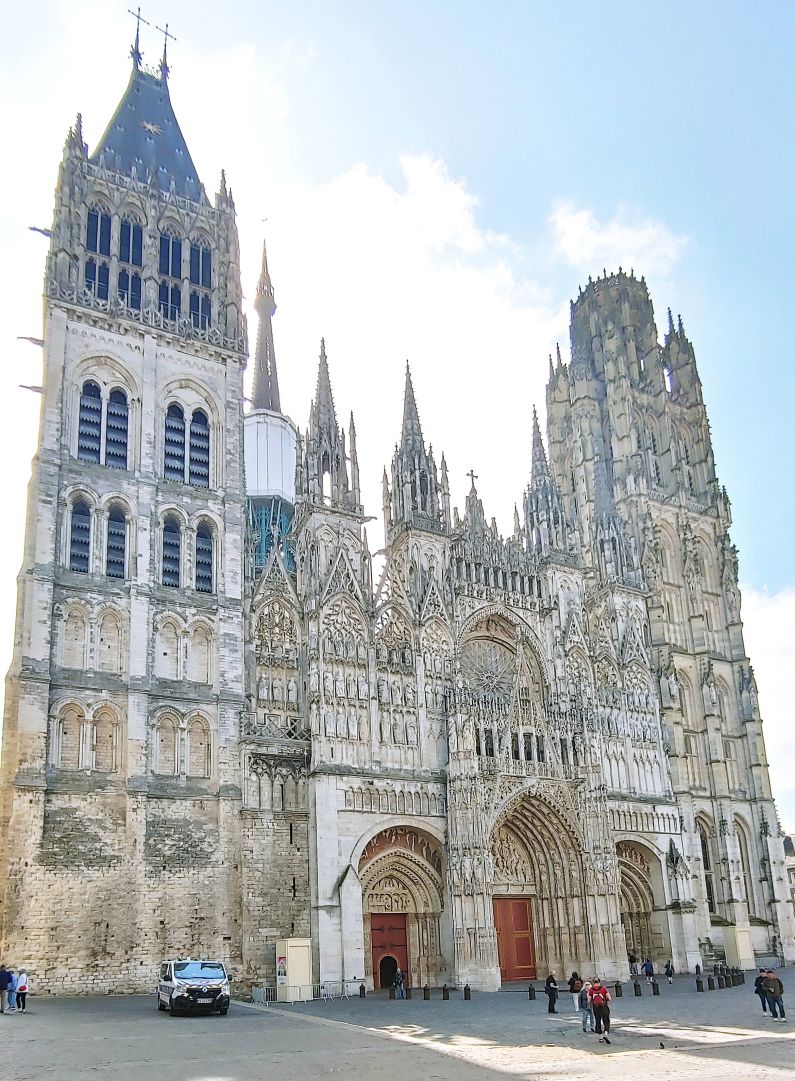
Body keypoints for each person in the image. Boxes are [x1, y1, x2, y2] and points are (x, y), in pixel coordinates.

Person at [588, 977, 612, 1044]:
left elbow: (589, 1000)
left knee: (598, 1021)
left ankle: (600, 1038)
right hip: (604, 1007)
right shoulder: (603, 988)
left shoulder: (591, 989)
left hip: (596, 1008)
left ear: (593, 982)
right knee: (606, 1021)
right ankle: (606, 1034)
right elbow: (609, 998)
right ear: (599, 982)